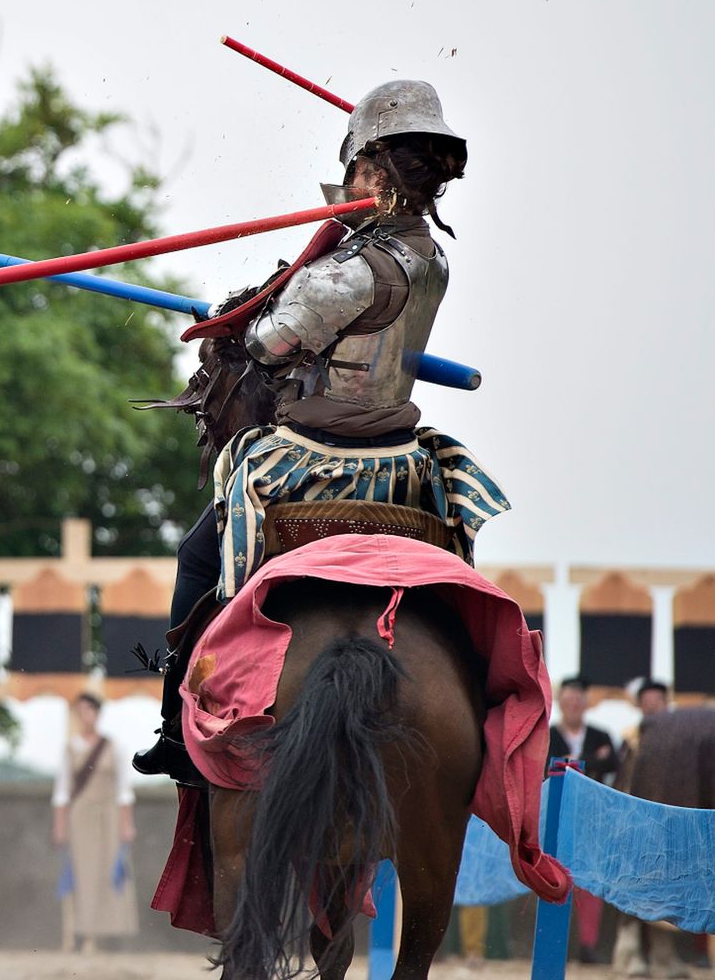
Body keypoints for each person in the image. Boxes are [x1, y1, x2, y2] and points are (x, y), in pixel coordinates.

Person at [135, 80, 509, 784]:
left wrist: (241, 316)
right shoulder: (433, 258)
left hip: (311, 461)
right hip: (402, 462)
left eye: (358, 170)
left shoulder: (345, 271)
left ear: (374, 172)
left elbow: (271, 348)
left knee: (197, 557)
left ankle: (177, 732)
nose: (348, 182)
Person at [52, 692, 137, 950]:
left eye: (89, 710)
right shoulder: (70, 748)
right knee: (84, 873)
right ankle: (84, 934)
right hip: (81, 818)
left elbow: (124, 788)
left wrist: (127, 823)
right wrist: (60, 825)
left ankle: (109, 933)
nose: (84, 716)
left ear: (97, 713)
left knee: (110, 873)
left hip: (110, 816)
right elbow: (62, 791)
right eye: (80, 711)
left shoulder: (113, 746)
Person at [548, 676, 617, 963]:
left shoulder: (601, 734)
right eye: (568, 699)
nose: (573, 704)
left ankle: (588, 945)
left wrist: (571, 762)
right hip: (554, 816)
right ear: (560, 703)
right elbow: (544, 764)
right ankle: (553, 942)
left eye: (578, 699)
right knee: (553, 877)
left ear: (586, 704)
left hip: (592, 816)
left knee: (589, 881)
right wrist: (590, 762)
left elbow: (613, 763)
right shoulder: (548, 733)